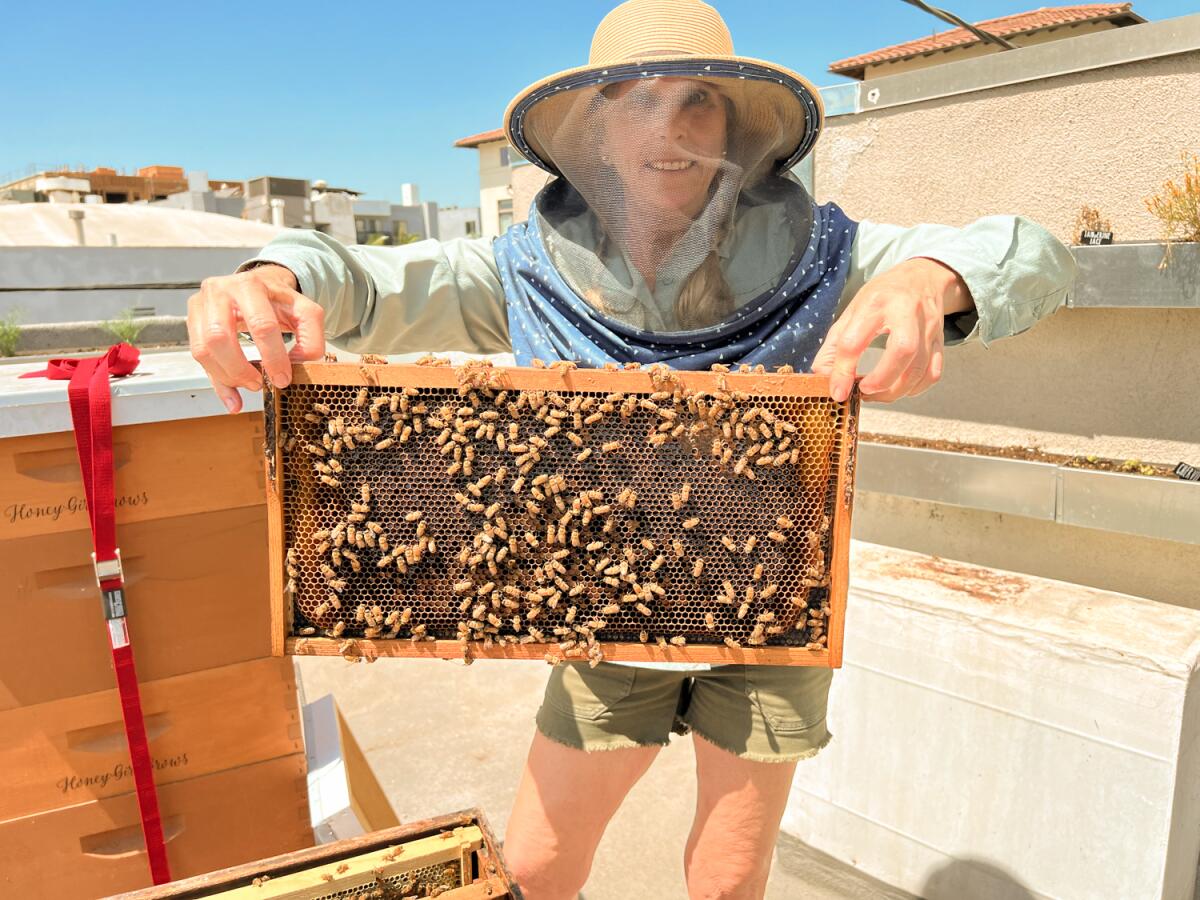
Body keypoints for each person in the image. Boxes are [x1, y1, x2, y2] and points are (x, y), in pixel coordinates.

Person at [187, 2, 1075, 897]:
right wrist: (271, 277)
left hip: (768, 622)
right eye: (637, 103)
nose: (671, 128)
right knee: (533, 865)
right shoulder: (519, 271)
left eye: (698, 102)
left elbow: (1030, 250)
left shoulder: (829, 254)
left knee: (727, 880)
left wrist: (935, 278)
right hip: (605, 633)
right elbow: (367, 279)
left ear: (733, 124)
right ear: (596, 131)